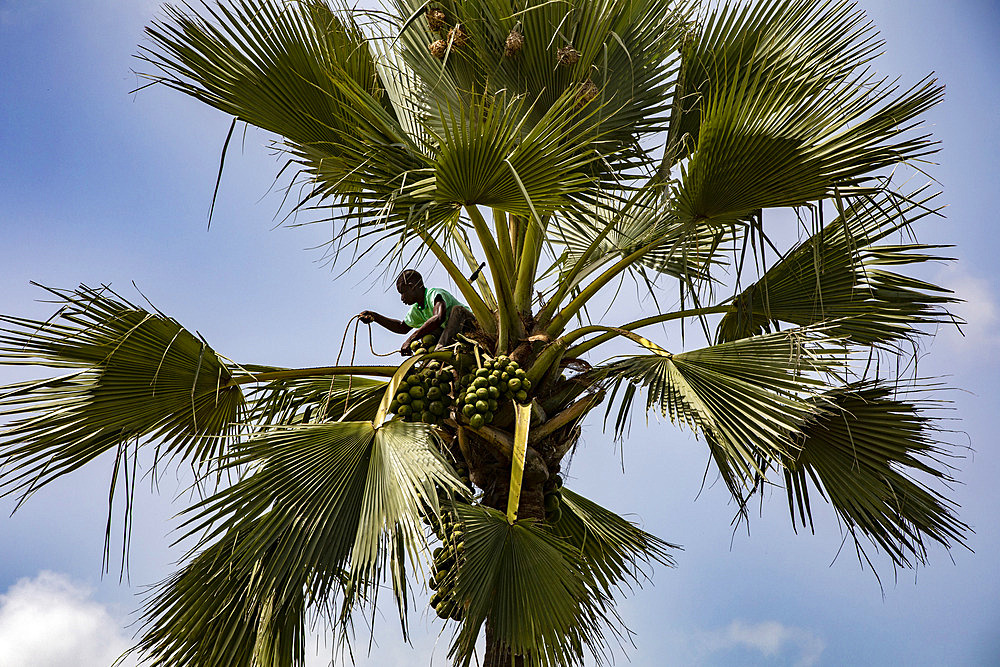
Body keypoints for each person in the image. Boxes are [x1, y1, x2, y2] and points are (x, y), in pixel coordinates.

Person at [359, 269, 470, 355]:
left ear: (411, 287)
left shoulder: (434, 294)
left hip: (471, 325)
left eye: (403, 292)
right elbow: (402, 327)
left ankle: (439, 352)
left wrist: (410, 339)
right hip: (457, 337)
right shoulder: (417, 309)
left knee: (457, 311)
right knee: (426, 331)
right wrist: (375, 316)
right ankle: (432, 360)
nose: (402, 298)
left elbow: (438, 317)